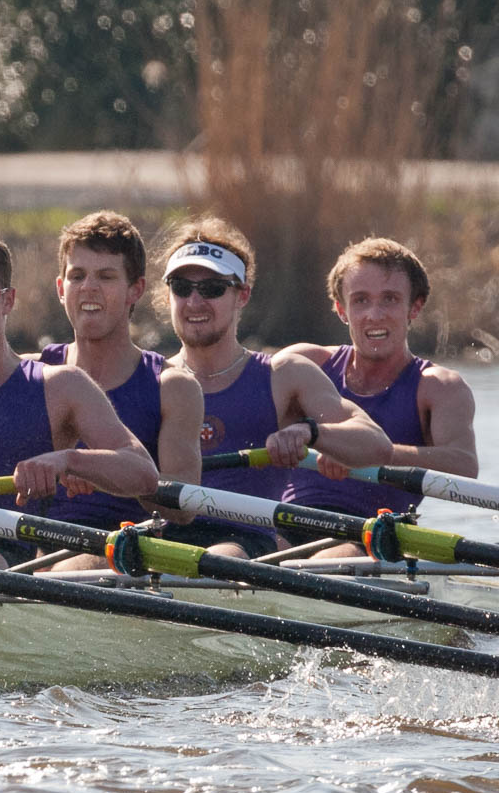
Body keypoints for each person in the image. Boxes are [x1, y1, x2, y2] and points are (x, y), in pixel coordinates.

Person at [0, 229, 158, 569]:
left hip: (2, 557)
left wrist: (68, 461)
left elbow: (143, 473)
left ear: (8, 300)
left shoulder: (60, 386)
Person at [158, 217, 394, 558]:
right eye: (181, 287)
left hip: (244, 542)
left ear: (242, 295)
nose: (194, 302)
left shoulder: (283, 375)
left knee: (219, 558)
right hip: (158, 537)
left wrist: (309, 433)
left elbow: (376, 445)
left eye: (212, 288)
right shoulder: (150, 377)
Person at [276, 237, 477, 556]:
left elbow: (464, 468)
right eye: (360, 300)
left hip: (373, 535)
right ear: (341, 309)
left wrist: (363, 451)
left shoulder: (439, 386)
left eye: (390, 299)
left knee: (328, 561)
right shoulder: (305, 363)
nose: (374, 314)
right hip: (285, 521)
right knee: (243, 555)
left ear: (415, 307)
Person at [35, 211, 205, 570]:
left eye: (106, 276)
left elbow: (183, 509)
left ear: (135, 290)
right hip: (37, 550)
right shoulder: (35, 373)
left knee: (67, 567)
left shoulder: (173, 387)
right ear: (61, 288)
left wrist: (99, 473)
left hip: (123, 554)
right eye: (77, 276)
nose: (89, 288)